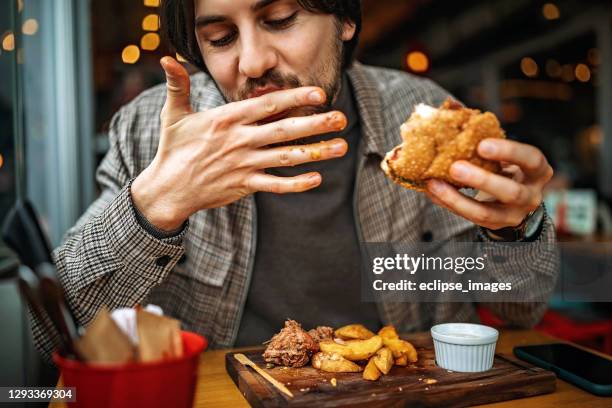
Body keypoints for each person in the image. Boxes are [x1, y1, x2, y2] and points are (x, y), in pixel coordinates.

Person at [32, 0, 558, 358]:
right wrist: (153, 207)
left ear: (344, 19)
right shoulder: (151, 130)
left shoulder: (426, 120)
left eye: (280, 18)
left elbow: (522, 309)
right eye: (219, 38)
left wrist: (518, 230)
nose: (254, 62)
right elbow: (51, 332)